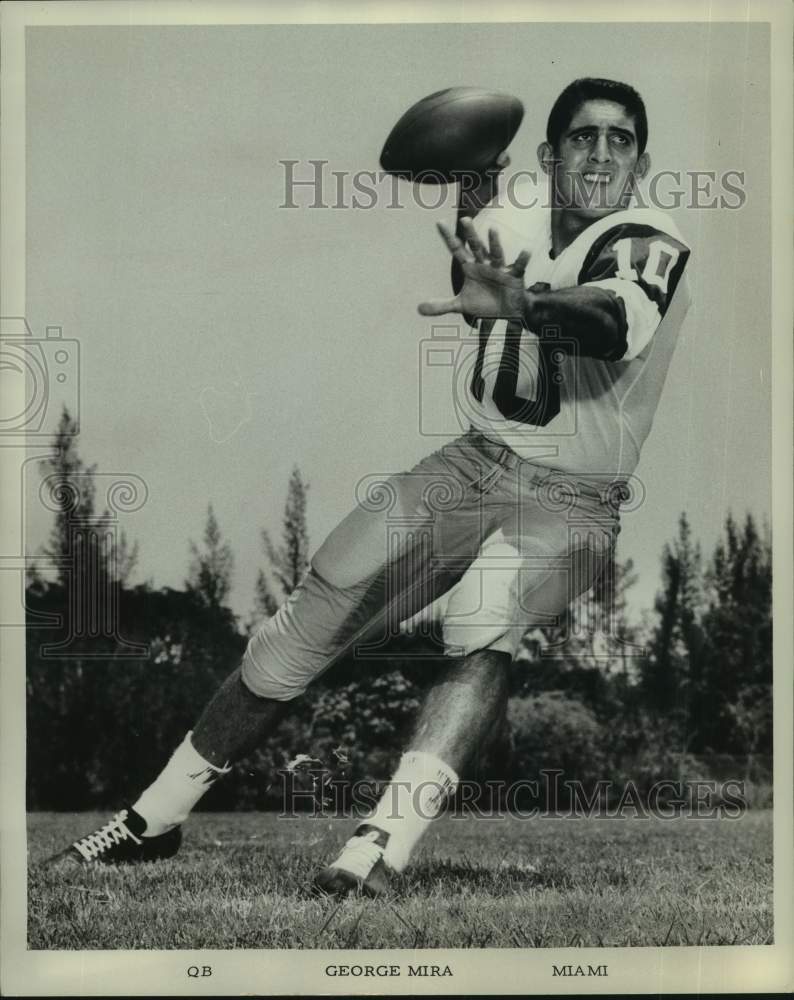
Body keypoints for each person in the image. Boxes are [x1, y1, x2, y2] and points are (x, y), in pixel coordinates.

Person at [49, 78, 691, 897]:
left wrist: (523, 302)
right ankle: (151, 821)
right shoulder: (521, 210)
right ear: (548, 152)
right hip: (474, 461)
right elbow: (477, 277)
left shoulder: (650, 236)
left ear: (641, 161)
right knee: (311, 612)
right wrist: (470, 182)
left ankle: (382, 843)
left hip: (575, 496)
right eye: (582, 137)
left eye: (621, 139)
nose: (601, 153)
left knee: (482, 615)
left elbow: (606, 320)